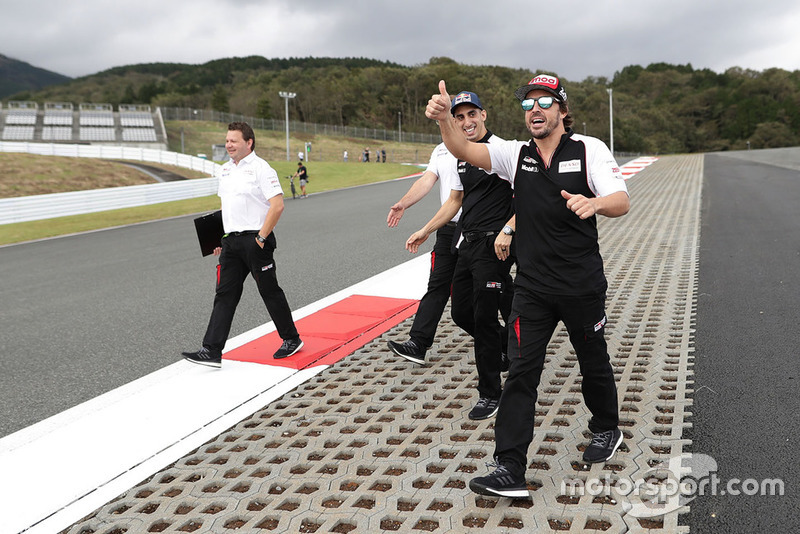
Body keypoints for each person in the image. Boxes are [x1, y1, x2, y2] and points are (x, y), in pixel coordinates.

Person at [426, 75, 630, 498]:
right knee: (520, 373)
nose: (534, 111)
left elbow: (621, 200)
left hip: (580, 286)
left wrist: (594, 203)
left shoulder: (589, 149)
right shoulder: (514, 154)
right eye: (527, 105)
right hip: (532, 289)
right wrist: (446, 119)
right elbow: (462, 149)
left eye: (543, 103)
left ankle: (607, 427)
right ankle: (509, 466)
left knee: (593, 361)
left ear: (561, 110)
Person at [402, 91, 515, 421]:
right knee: (461, 313)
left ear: (484, 115)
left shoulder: (503, 151)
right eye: (459, 116)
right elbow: (455, 200)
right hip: (465, 243)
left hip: (494, 247)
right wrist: (425, 230)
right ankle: (511, 344)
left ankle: (490, 393)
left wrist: (509, 230)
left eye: (471, 115)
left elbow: (527, 197)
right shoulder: (464, 156)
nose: (466, 121)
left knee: (482, 315)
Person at [182, 122, 304, 368]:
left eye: (234, 141)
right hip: (231, 243)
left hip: (256, 241)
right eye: (227, 140)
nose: (228, 145)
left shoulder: (262, 169)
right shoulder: (225, 170)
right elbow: (228, 207)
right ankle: (212, 350)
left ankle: (292, 339)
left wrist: (260, 238)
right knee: (224, 295)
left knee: (269, 292)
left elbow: (277, 205)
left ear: (249, 143)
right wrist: (217, 239)